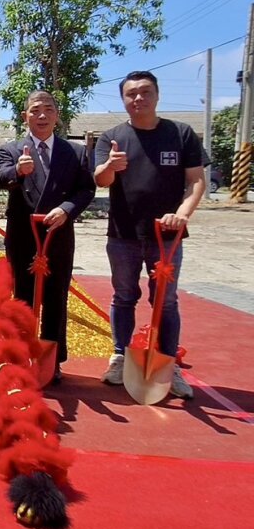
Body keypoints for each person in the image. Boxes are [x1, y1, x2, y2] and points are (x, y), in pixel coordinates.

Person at [94, 71, 206, 399]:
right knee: (123, 296)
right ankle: (119, 356)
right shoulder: (111, 138)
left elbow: (196, 181)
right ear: (123, 100)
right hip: (123, 235)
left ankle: (168, 364)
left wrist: (182, 215)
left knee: (166, 301)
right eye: (131, 94)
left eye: (145, 92)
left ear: (157, 95)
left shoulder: (181, 134)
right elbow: (100, 180)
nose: (138, 98)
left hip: (166, 238)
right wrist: (110, 166)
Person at [0, 91, 96, 384]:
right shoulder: (11, 149)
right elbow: (0, 178)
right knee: (23, 297)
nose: (42, 116)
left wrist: (66, 209)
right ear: (24, 116)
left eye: (48, 110)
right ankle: (19, 357)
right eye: (35, 110)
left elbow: (86, 189)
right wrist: (18, 171)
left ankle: (52, 360)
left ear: (57, 115)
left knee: (55, 297)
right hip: (23, 235)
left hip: (58, 235)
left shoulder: (74, 152)